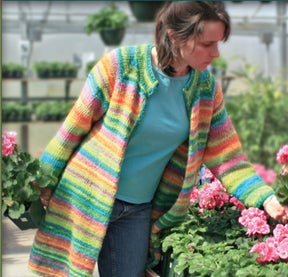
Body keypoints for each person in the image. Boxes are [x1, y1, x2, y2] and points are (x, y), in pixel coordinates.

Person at [29, 2, 288, 277]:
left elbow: (227, 157)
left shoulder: (205, 90)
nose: (215, 54)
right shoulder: (120, 66)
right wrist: (43, 181)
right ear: (175, 36)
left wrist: (265, 197)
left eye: (218, 44)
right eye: (206, 44)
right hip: (84, 195)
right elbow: (72, 128)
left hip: (137, 210)